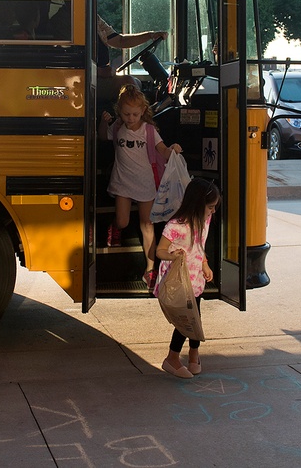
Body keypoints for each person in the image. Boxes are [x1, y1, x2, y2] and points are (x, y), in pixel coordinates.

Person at [99, 84, 183, 285]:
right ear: (120, 111)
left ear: (143, 111)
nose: (130, 118)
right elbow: (103, 137)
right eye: (126, 114)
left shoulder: (149, 131)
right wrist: (103, 123)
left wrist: (173, 150)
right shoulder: (118, 126)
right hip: (122, 182)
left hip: (145, 183)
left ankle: (150, 269)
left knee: (148, 226)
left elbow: (162, 150)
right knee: (123, 221)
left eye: (135, 114)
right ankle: (115, 227)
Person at [155, 177, 219, 379]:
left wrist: (205, 263)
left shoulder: (204, 220)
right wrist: (174, 256)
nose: (213, 211)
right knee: (186, 321)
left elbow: (199, 246)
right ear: (198, 204)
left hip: (196, 280)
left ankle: (193, 354)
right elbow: (160, 251)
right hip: (179, 282)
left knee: (194, 319)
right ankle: (172, 358)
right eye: (211, 207)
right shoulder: (176, 225)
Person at [97, 16, 167, 103]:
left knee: (138, 82)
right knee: (129, 82)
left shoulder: (95, 19)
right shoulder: (78, 22)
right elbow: (76, 59)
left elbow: (120, 40)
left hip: (100, 75)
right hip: (87, 80)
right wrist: (98, 71)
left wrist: (150, 35)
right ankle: (141, 115)